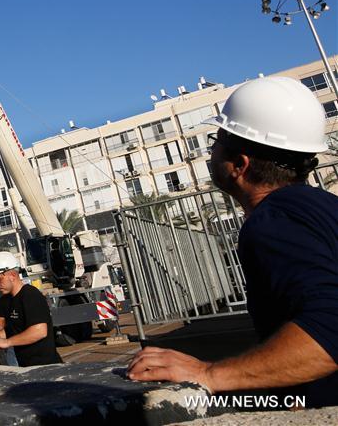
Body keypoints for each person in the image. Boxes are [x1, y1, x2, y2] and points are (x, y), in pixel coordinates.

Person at [128, 76, 338, 407]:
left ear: (239, 164)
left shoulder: (272, 224)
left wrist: (208, 374)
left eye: (217, 142)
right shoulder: (323, 207)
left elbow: (329, 333)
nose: (210, 153)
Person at [0, 251, 62, 367]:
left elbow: (39, 331)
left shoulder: (30, 295)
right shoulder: (8, 301)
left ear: (12, 276)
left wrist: (7, 342)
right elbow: (16, 329)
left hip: (46, 368)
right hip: (27, 368)